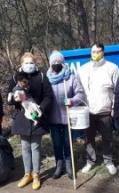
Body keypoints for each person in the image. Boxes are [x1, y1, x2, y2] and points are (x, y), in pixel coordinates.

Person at [7, 52, 53, 190]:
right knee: (25, 147)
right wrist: (13, 100)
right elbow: (9, 96)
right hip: (22, 117)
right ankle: (27, 174)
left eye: (31, 62)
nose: (29, 65)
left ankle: (36, 174)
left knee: (35, 147)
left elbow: (48, 96)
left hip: (37, 116)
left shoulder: (42, 77)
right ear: (21, 64)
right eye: (26, 63)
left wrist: (40, 108)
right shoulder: (15, 77)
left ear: (35, 63)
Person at [78, 43, 119, 175]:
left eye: (98, 51)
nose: (95, 53)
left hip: (105, 111)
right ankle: (90, 161)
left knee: (107, 137)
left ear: (103, 52)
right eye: (93, 51)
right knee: (89, 139)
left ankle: (108, 161)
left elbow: (117, 90)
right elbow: (78, 90)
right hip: (88, 111)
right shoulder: (83, 69)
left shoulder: (112, 68)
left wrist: (114, 107)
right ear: (90, 53)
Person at [46, 50, 86, 179]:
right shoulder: (47, 79)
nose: (56, 64)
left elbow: (80, 94)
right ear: (50, 64)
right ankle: (59, 164)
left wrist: (72, 100)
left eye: (59, 62)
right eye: (54, 62)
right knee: (56, 143)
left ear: (63, 63)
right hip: (53, 118)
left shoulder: (71, 77)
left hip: (67, 117)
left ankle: (69, 163)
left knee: (67, 143)